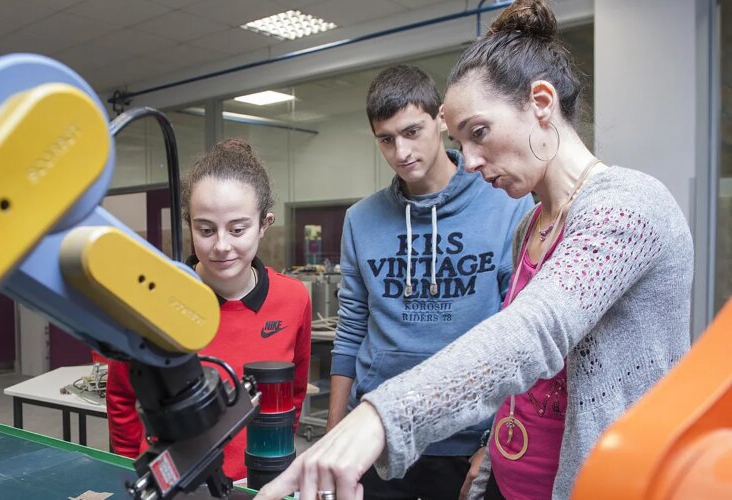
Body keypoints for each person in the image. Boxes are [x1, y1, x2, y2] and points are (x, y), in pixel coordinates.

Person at [255, 1, 693, 499]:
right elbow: (522, 379)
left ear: (541, 103)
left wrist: (378, 419)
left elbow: (533, 332)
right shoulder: (530, 225)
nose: (470, 162)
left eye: (479, 133)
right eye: (464, 140)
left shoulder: (628, 207)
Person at [326, 64, 532, 500]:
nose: (401, 151)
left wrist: (494, 445)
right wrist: (333, 436)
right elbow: (349, 332)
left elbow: (522, 337)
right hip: (379, 434)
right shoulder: (360, 220)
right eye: (386, 139)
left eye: (412, 131)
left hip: (468, 438)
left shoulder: (505, 205)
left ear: (441, 120)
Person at [106, 139, 312, 481]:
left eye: (237, 229)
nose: (220, 245)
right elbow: (122, 397)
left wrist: (272, 460)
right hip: (174, 486)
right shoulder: (154, 300)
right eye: (205, 229)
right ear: (189, 225)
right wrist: (126, 471)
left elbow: (292, 393)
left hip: (258, 483)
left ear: (264, 223)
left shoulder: (293, 299)